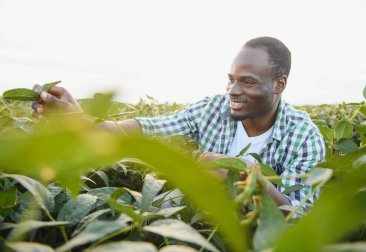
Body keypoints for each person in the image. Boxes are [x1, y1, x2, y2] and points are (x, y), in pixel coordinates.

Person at [32, 37, 325, 210]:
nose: (233, 91)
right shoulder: (212, 109)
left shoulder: (303, 135)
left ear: (279, 84)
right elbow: (144, 130)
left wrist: (247, 174)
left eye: (248, 82)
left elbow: (297, 215)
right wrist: (78, 118)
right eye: (231, 79)